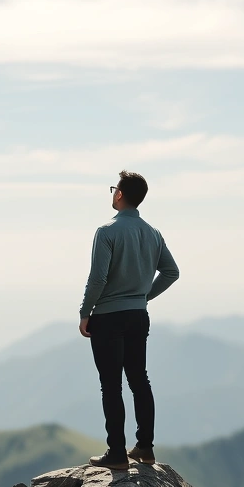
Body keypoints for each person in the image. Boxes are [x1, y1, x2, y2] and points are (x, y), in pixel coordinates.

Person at [79, 170, 179, 470]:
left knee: (111, 386)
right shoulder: (153, 233)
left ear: (119, 194)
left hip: (108, 317)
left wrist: (86, 312)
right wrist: (143, 296)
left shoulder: (106, 231)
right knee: (139, 380)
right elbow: (171, 272)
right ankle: (145, 449)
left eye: (114, 189)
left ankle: (117, 454)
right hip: (138, 316)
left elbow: (98, 278)